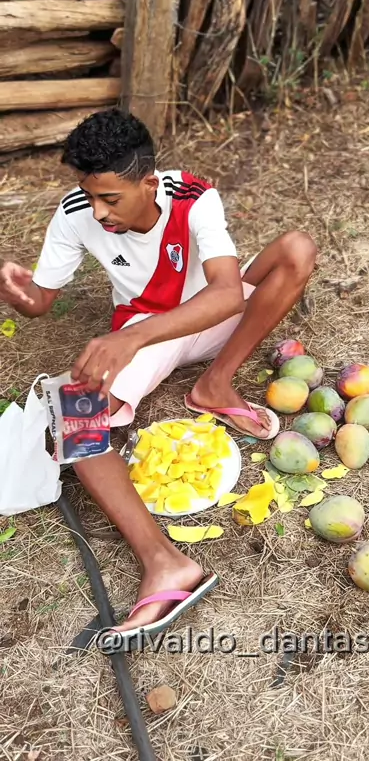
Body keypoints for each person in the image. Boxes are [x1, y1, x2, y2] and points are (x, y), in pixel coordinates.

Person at [0, 108, 316, 639]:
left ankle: (214, 384)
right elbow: (41, 302)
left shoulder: (193, 197)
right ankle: (166, 563)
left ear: (149, 183)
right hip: (148, 330)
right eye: (90, 195)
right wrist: (18, 293)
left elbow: (225, 293)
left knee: (296, 249)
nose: (98, 212)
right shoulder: (75, 211)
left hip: (206, 317)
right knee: (75, 413)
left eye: (111, 199)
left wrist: (129, 339)